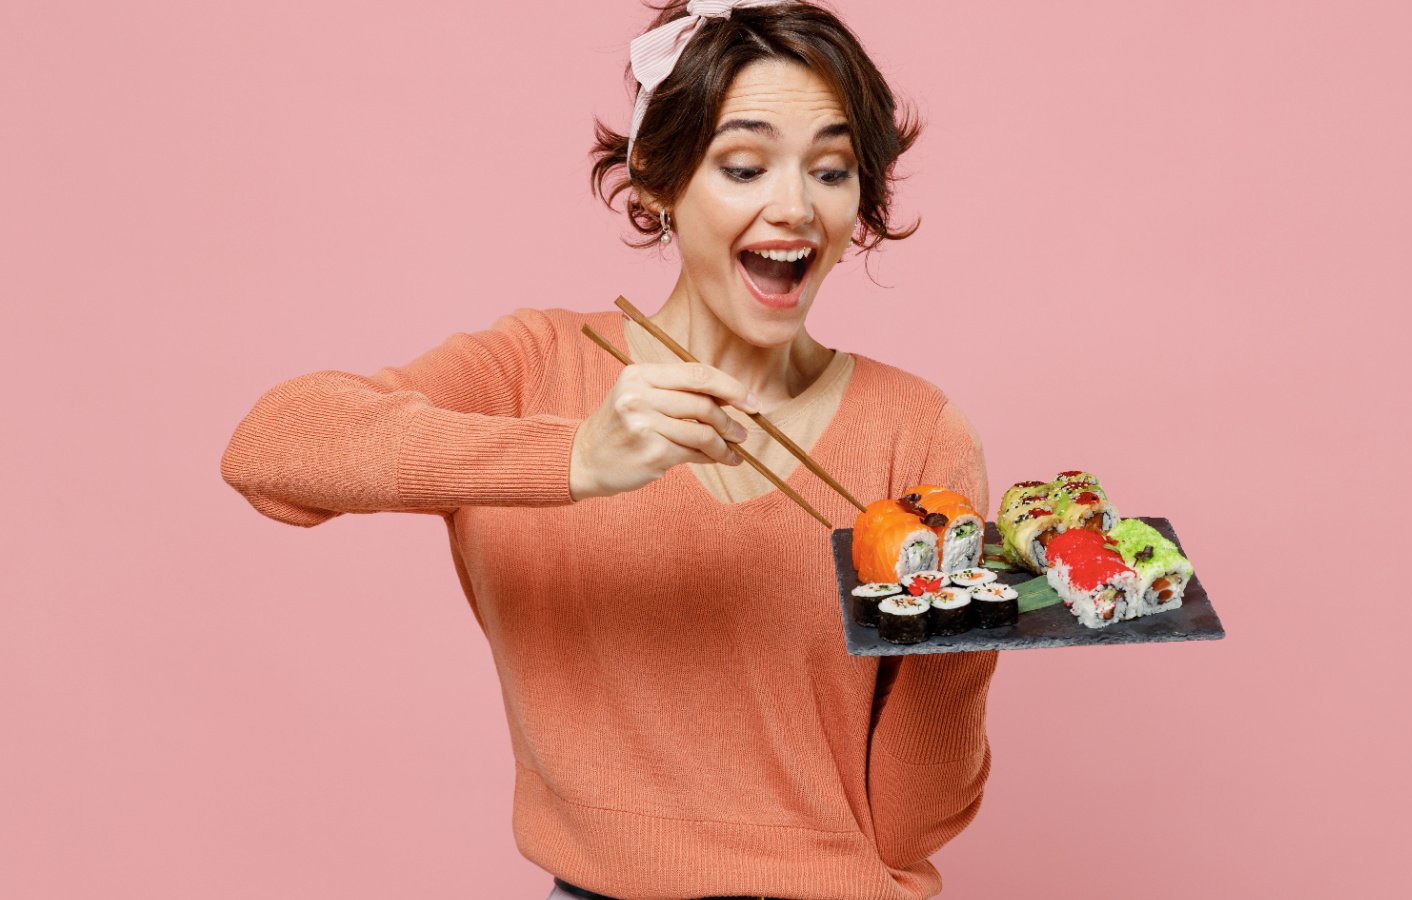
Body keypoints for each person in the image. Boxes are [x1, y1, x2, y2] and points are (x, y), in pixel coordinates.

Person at [220, 2, 998, 898]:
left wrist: (974, 625)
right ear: (659, 183)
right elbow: (270, 446)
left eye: (831, 169)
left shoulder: (919, 432)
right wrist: (572, 461)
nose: (795, 207)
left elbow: (907, 822)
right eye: (743, 166)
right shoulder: (540, 367)